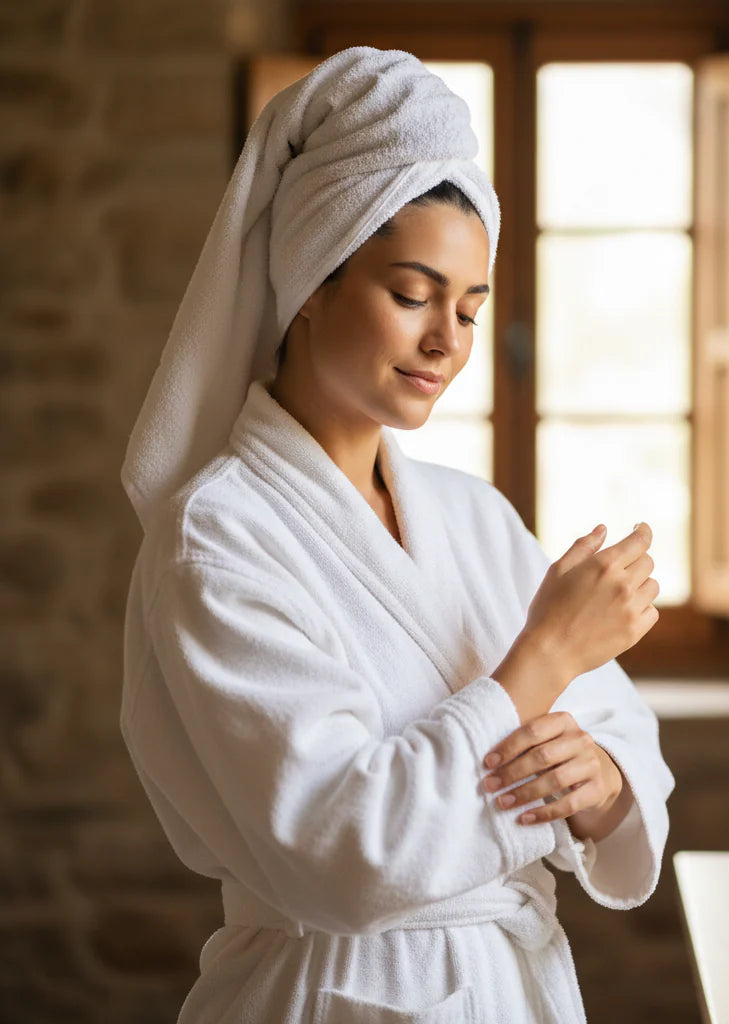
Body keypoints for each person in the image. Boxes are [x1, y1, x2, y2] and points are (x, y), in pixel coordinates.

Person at [119, 47, 674, 1023]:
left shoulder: (472, 516)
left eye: (470, 307)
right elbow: (345, 852)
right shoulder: (216, 537)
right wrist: (544, 655)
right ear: (311, 280)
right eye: (412, 294)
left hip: (510, 985)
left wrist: (603, 784)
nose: (448, 340)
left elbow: (617, 731)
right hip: (330, 991)